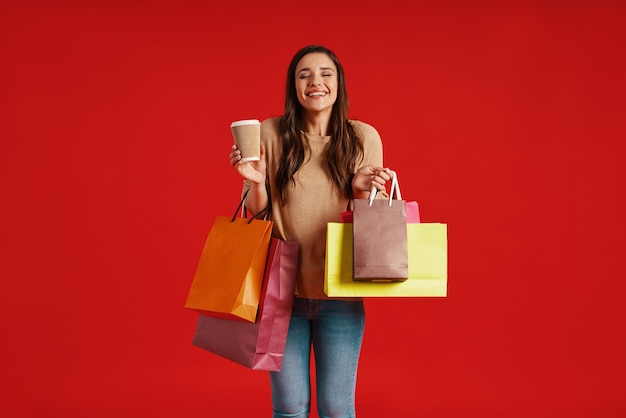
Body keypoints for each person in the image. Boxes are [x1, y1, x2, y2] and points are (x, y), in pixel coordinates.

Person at [228, 45, 392, 418]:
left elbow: (373, 225)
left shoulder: (363, 138)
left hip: (341, 295)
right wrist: (255, 181)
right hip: (281, 294)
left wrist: (364, 191)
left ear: (338, 84)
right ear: (294, 86)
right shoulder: (269, 133)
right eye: (304, 75)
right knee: (289, 408)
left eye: (325, 74)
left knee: (337, 409)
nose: (315, 82)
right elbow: (256, 212)